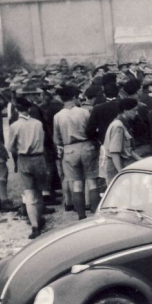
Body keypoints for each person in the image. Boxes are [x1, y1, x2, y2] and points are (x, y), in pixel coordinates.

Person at [53, 86, 100, 220]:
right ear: (74, 97)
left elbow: (57, 139)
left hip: (69, 149)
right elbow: (91, 129)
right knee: (92, 181)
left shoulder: (58, 116)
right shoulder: (83, 112)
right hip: (87, 146)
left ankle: (81, 216)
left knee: (76, 183)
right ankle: (95, 213)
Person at [7, 97, 48, 239]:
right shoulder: (38, 123)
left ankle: (34, 225)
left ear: (17, 110)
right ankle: (40, 217)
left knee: (29, 193)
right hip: (39, 157)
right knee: (39, 191)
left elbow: (10, 147)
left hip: (24, 159)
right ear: (29, 108)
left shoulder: (14, 126)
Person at [104, 98, 141, 181]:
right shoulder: (118, 126)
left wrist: (141, 160)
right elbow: (114, 152)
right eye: (134, 110)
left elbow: (128, 149)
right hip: (116, 167)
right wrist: (121, 172)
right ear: (125, 110)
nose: (136, 113)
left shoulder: (121, 123)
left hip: (119, 164)